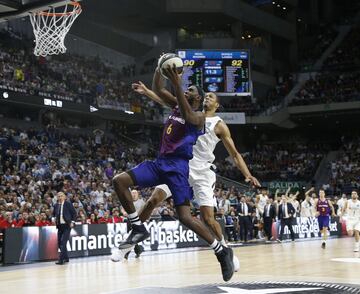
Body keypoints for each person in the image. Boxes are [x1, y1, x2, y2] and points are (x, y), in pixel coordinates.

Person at [112, 65, 234, 281]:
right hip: (160, 163)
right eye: (187, 89)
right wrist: (160, 67)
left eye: (192, 91)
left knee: (185, 217)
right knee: (119, 181)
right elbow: (158, 88)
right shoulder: (178, 105)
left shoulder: (198, 118)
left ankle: (220, 250)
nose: (187, 91)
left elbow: (187, 112)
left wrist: (177, 81)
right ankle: (138, 227)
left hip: (178, 170)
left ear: (199, 99)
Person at [52, 192, 77, 265]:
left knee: (63, 242)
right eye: (58, 196)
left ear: (64, 197)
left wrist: (72, 222)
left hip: (67, 225)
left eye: (61, 196)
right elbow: (54, 213)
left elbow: (74, 213)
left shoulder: (68, 204)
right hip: (59, 226)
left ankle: (61, 259)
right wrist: (53, 218)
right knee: (60, 243)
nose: (60, 197)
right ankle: (66, 257)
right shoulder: (56, 205)